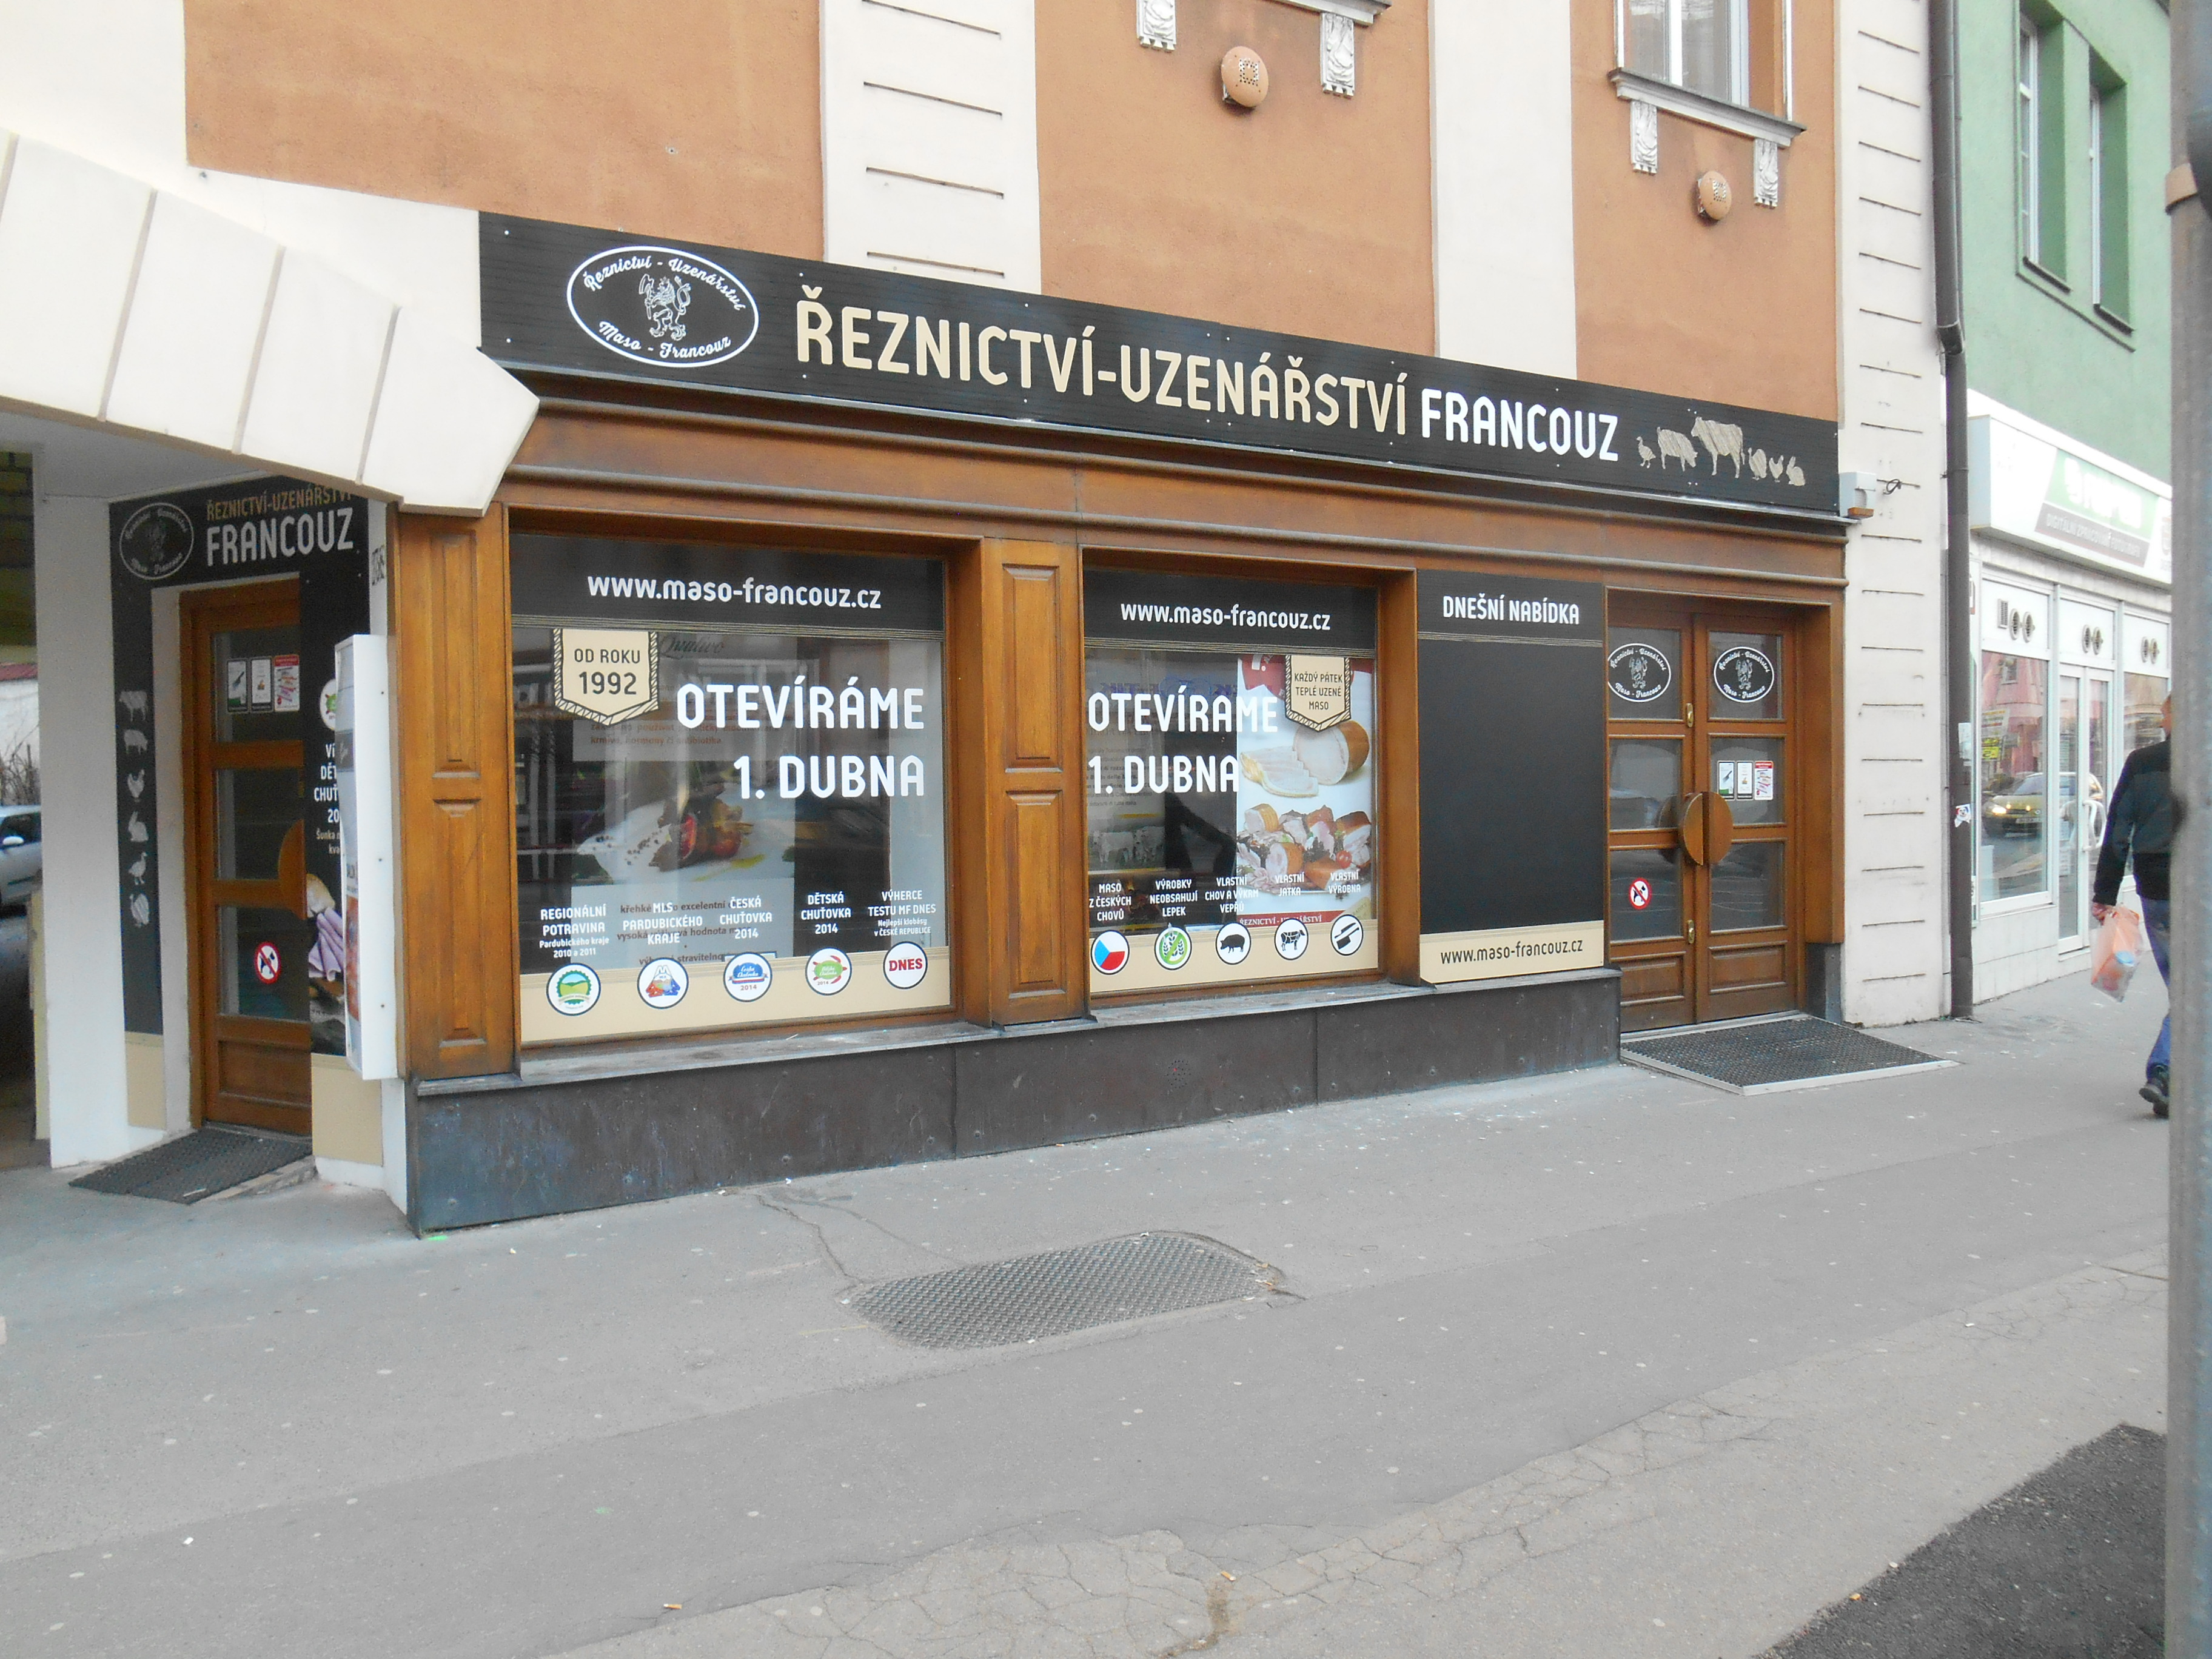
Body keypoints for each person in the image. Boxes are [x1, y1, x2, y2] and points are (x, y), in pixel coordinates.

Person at [2091, 696, 2174, 1118]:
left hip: (2158, 888)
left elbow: (2119, 829)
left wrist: (2105, 892)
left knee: (2185, 985)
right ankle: (2166, 1072)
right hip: (2199, 887)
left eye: (2165, 714)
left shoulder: (2143, 763)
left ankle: (2170, 1073)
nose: (2161, 721)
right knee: (2196, 989)